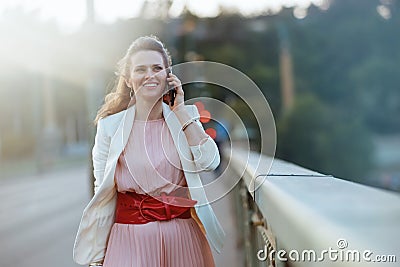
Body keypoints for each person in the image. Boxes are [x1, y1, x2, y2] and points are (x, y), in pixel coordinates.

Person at [73, 35, 225, 266]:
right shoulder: (110, 127)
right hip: (129, 239)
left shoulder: (185, 118)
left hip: (182, 238)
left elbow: (210, 162)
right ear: (128, 79)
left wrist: (181, 112)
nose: (149, 75)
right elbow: (101, 191)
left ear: (168, 75)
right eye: (140, 69)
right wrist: (99, 254)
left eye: (157, 68)